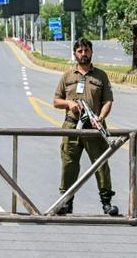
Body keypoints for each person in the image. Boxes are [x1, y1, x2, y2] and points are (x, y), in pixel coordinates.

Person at [53, 37, 118, 216]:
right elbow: (56, 101)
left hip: (94, 127)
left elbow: (108, 101)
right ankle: (66, 202)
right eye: (80, 51)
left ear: (91, 52)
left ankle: (106, 203)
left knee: (101, 163)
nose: (84, 54)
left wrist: (100, 118)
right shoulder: (67, 76)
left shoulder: (101, 75)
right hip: (72, 125)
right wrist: (69, 104)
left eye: (86, 50)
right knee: (69, 164)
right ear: (75, 54)